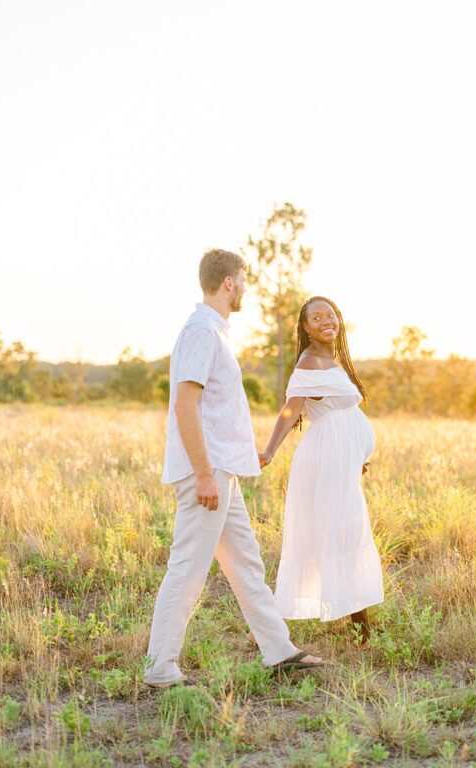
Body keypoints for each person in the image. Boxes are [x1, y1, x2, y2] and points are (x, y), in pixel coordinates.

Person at [144, 249, 323, 688]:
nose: (245, 287)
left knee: (246, 564)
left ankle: (278, 651)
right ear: (229, 283)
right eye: (243, 279)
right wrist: (205, 474)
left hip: (223, 472)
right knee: (187, 567)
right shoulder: (202, 332)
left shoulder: (215, 332)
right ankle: (160, 668)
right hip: (208, 473)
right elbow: (185, 406)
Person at [258, 296, 383, 644]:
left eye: (330, 315)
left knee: (341, 531)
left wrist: (358, 453)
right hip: (325, 459)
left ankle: (355, 621)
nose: (326, 321)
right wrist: (269, 450)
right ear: (306, 327)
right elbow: (291, 408)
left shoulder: (332, 360)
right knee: (337, 532)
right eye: (317, 317)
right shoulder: (310, 361)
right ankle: (358, 626)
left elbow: (344, 416)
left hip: (340, 461)